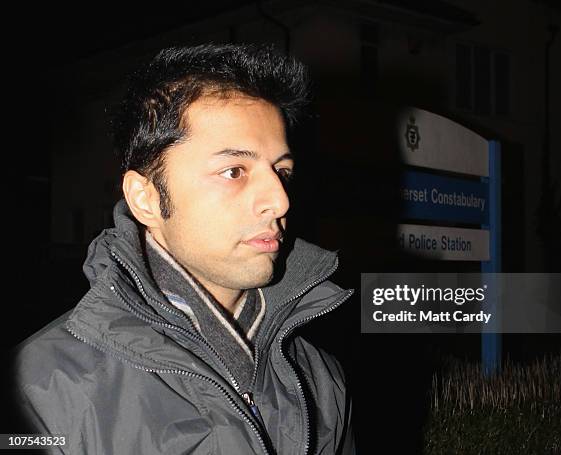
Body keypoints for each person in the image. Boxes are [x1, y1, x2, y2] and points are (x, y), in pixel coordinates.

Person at [13, 43, 354, 454]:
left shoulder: (318, 377)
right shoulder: (36, 390)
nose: (280, 201)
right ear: (146, 199)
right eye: (234, 171)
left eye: (282, 171)